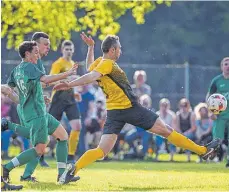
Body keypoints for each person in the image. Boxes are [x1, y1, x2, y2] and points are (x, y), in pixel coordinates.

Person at [54, 32, 220, 183]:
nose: (121, 51)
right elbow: (91, 75)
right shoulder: (107, 64)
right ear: (112, 50)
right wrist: (70, 84)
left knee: (101, 151)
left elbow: (90, 67)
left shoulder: (101, 62)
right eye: (119, 49)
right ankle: (202, 150)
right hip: (131, 108)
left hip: (114, 113)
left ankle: (71, 170)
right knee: (167, 130)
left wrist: (90, 47)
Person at [2, 39, 77, 184]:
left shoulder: (16, 71)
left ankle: (62, 175)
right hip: (37, 114)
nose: (38, 55)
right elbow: (45, 79)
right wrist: (66, 74)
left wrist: (37, 97)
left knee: (63, 136)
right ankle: (7, 167)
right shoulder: (30, 67)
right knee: (40, 149)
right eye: (35, 52)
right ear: (27, 54)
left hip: (35, 112)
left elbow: (12, 90)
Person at [49, 40, 82, 162]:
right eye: (66, 49)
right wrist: (69, 79)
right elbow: (51, 81)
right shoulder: (58, 64)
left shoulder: (73, 63)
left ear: (73, 51)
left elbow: (71, 84)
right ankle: (39, 154)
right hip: (58, 97)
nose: (68, 51)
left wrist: (76, 92)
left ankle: (71, 156)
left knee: (77, 126)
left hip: (70, 98)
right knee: (48, 129)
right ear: (62, 50)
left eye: (70, 49)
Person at [206, 57, 229, 168]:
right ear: (222, 66)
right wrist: (211, 111)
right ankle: (213, 156)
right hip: (219, 115)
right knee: (217, 139)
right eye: (226, 64)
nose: (228, 66)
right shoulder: (217, 80)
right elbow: (209, 96)